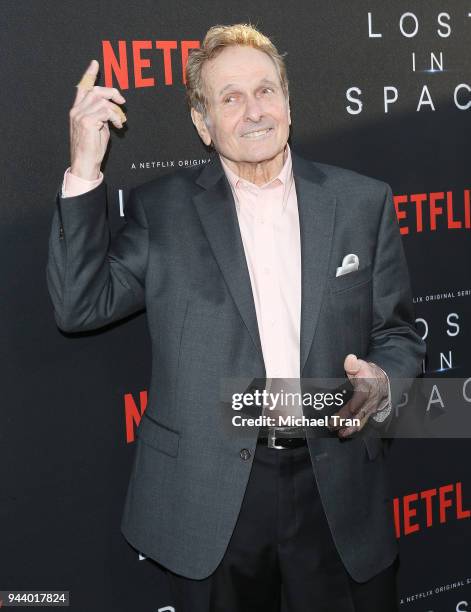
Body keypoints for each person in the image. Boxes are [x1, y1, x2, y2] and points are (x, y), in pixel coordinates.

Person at [46, 23, 426, 612]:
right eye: (230, 97)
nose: (254, 112)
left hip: (336, 483)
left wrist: (383, 380)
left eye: (266, 90)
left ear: (289, 103)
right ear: (202, 123)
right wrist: (85, 166)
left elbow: (398, 334)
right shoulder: (162, 211)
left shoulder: (360, 202)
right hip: (210, 495)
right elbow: (79, 304)